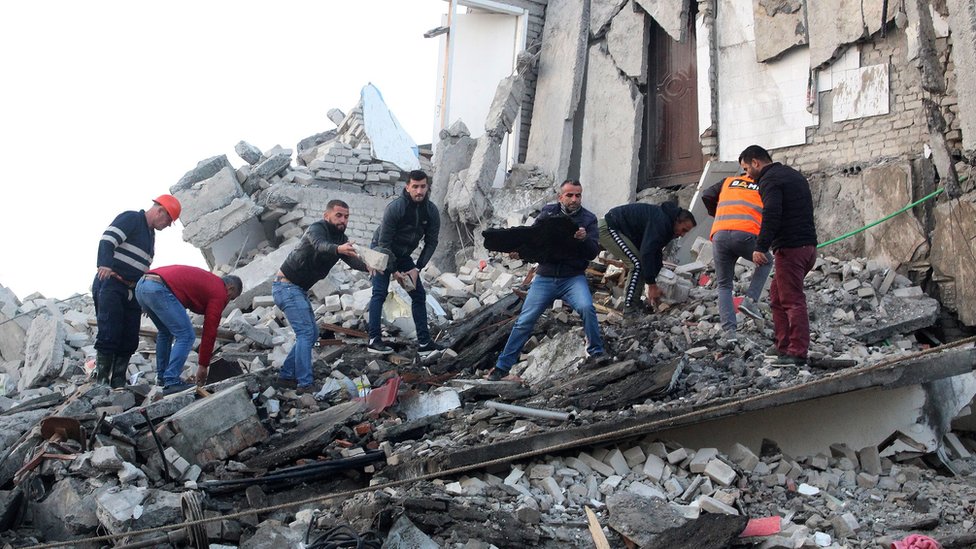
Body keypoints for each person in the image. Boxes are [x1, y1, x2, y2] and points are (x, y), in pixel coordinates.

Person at [485, 180, 604, 381]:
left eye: (578, 195)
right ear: (560, 197)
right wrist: (519, 251)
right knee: (524, 321)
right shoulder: (548, 214)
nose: (574, 199)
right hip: (545, 277)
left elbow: (593, 252)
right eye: (570, 195)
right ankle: (502, 368)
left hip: (573, 277)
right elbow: (533, 239)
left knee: (586, 308)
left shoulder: (589, 219)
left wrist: (584, 239)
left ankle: (597, 353)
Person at [274, 200, 368, 391]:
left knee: (312, 333)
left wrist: (374, 267)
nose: (343, 220)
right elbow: (320, 245)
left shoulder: (341, 239)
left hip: (298, 290)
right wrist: (339, 249)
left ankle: (286, 376)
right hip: (286, 287)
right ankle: (304, 383)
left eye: (346, 216)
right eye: (338, 215)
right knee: (306, 333)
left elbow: (354, 262)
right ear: (327, 216)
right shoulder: (316, 229)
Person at [739, 145, 818, 365]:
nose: (747, 175)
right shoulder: (792, 175)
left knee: (792, 300)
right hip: (807, 248)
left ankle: (797, 352)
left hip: (790, 249)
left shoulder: (769, 180)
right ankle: (782, 345)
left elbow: (772, 213)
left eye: (746, 169)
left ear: (756, 162)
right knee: (777, 297)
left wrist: (760, 246)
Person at [93, 194, 181, 388]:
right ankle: (101, 382)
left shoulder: (150, 236)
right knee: (109, 331)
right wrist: (105, 264)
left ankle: (117, 381)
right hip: (112, 282)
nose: (167, 226)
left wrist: (143, 297)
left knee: (130, 336)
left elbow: (144, 267)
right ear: (160, 211)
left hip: (132, 289)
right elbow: (107, 240)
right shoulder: (132, 218)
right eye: (168, 220)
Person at [367, 170, 443, 356]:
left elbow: (432, 242)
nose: (419, 191)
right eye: (415, 187)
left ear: (427, 187)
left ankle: (425, 344)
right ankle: (374, 340)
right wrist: (394, 272)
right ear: (407, 187)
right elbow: (384, 243)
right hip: (381, 251)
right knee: (379, 292)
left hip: (403, 255)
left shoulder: (431, 211)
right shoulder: (395, 208)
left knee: (418, 295)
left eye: (423, 186)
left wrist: (417, 268)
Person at [135, 266, 242, 395]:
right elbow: (210, 330)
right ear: (230, 288)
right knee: (186, 335)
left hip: (142, 286)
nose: (228, 301)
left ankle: (163, 379)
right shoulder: (219, 292)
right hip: (159, 289)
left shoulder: (209, 282)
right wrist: (203, 365)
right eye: (231, 298)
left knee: (165, 332)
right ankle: (172, 381)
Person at [701, 173, 773, 342]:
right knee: (766, 261)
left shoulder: (727, 181)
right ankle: (750, 300)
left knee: (724, 285)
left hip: (720, 234)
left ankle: (729, 332)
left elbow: (706, 194)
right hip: (745, 234)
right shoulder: (763, 185)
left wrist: (716, 213)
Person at [598, 201, 697, 310]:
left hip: (621, 230)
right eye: (683, 230)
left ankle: (635, 302)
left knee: (642, 264)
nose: (682, 235)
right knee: (636, 264)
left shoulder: (668, 225)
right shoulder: (662, 222)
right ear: (678, 221)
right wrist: (652, 286)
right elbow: (647, 253)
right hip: (609, 227)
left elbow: (656, 252)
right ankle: (630, 309)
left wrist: (655, 278)